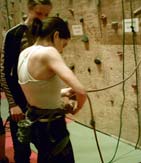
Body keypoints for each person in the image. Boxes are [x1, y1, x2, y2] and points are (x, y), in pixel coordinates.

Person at [17, 16, 87, 163]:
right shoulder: (48, 52)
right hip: (52, 129)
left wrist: (62, 92)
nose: (61, 51)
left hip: (36, 126)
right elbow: (81, 91)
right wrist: (76, 108)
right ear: (56, 36)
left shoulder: (24, 53)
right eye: (64, 44)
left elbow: (33, 89)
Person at [0, 1, 52, 163]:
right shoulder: (14, 34)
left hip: (42, 103)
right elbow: (4, 71)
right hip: (21, 103)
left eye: (46, 15)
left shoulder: (47, 35)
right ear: (29, 10)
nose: (42, 18)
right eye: (39, 13)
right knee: (22, 151)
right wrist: (12, 103)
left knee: (48, 149)